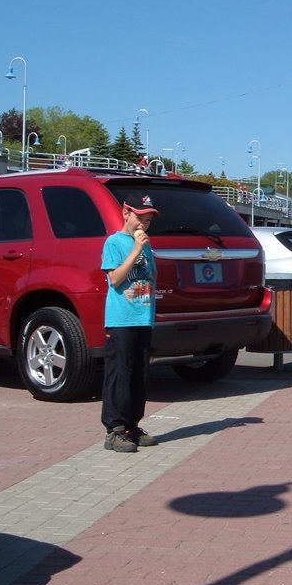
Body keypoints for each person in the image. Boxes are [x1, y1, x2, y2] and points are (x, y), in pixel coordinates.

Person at [100, 192, 161, 453]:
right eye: (139, 218)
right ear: (126, 213)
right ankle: (114, 430)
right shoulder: (114, 243)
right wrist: (136, 249)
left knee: (139, 375)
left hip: (142, 318)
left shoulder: (147, 245)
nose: (143, 224)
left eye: (148, 220)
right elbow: (115, 280)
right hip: (121, 319)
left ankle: (132, 425)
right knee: (120, 374)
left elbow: (150, 279)